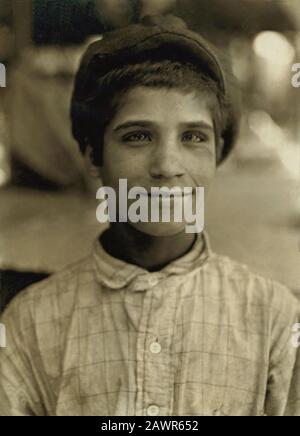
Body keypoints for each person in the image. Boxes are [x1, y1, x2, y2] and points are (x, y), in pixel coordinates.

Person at [0, 14, 299, 416]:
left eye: (193, 137)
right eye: (137, 136)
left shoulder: (274, 318)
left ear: (217, 154)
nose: (166, 165)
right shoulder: (32, 324)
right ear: (93, 155)